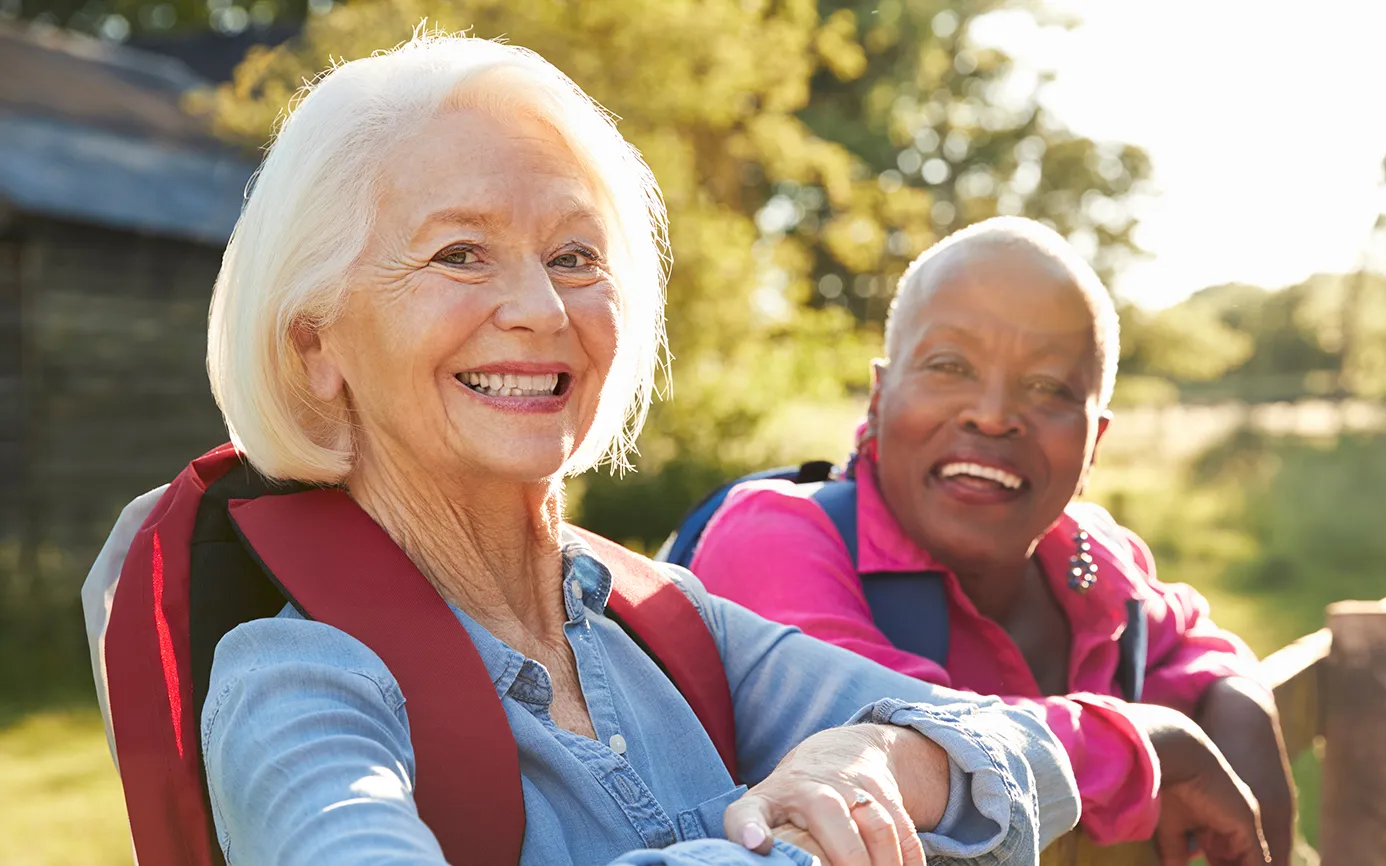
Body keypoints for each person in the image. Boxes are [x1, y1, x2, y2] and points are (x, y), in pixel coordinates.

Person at [81, 38, 1081, 866]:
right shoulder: (297, 681)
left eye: (575, 257)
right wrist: (799, 851)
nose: (541, 310)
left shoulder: (666, 619)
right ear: (317, 343)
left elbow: (1030, 753)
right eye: (459, 253)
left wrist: (872, 759)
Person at [688, 218, 1293, 864]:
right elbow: (914, 750)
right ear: (880, 396)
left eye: (1048, 387)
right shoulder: (777, 541)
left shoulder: (1091, 558)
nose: (995, 413)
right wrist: (1154, 744)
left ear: (1095, 444)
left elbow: (1199, 645)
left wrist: (1241, 706)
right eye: (949, 365)